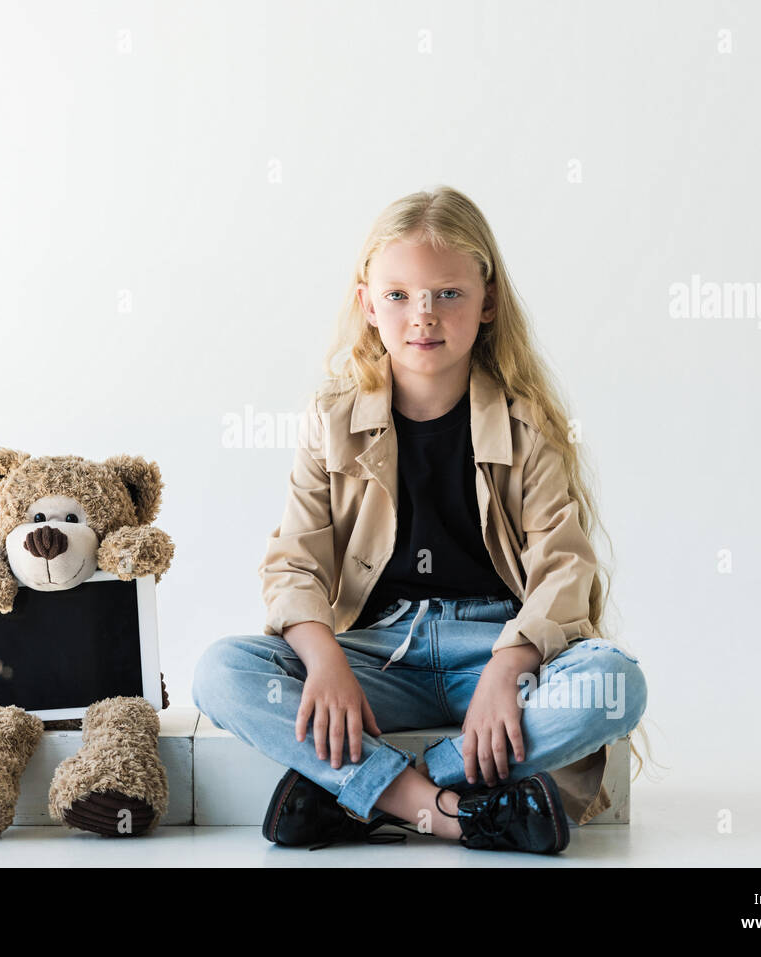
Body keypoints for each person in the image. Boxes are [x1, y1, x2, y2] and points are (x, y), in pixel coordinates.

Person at [192, 185, 650, 853]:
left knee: (616, 682)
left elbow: (564, 565)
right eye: (400, 294)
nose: (423, 315)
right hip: (382, 655)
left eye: (449, 293)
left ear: (487, 301)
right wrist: (323, 658)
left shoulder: (528, 423)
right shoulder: (334, 418)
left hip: (490, 649)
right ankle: (441, 808)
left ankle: (387, 790)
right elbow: (294, 558)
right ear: (367, 304)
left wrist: (508, 664)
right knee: (220, 670)